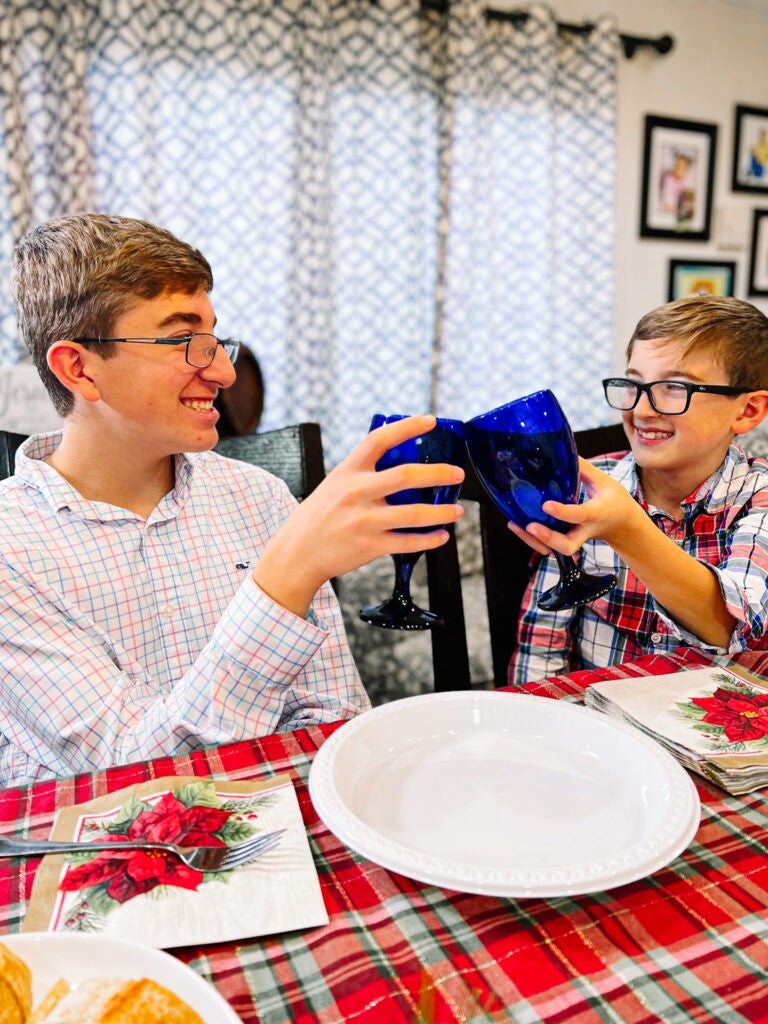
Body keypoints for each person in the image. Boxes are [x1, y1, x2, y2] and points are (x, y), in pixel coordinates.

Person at [1, 213, 464, 785]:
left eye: (215, 338)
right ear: (80, 368)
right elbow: (127, 774)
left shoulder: (258, 496)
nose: (222, 370)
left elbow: (331, 716)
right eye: (182, 340)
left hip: (276, 819)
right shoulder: (10, 546)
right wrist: (285, 573)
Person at [509, 295, 768, 685]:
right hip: (598, 728)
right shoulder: (588, 487)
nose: (641, 410)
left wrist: (626, 527)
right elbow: (543, 641)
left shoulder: (757, 496)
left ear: (747, 411)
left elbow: (729, 628)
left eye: (676, 388)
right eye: (633, 384)